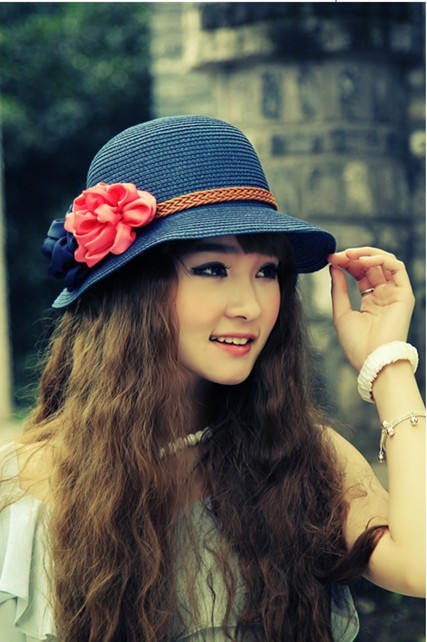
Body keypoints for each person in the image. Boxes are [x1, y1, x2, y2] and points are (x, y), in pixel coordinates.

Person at [0, 115, 424, 642]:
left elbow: (419, 566)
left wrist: (388, 361)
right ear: (133, 289)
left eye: (267, 272)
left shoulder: (300, 457)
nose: (251, 306)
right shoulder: (21, 486)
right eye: (212, 269)